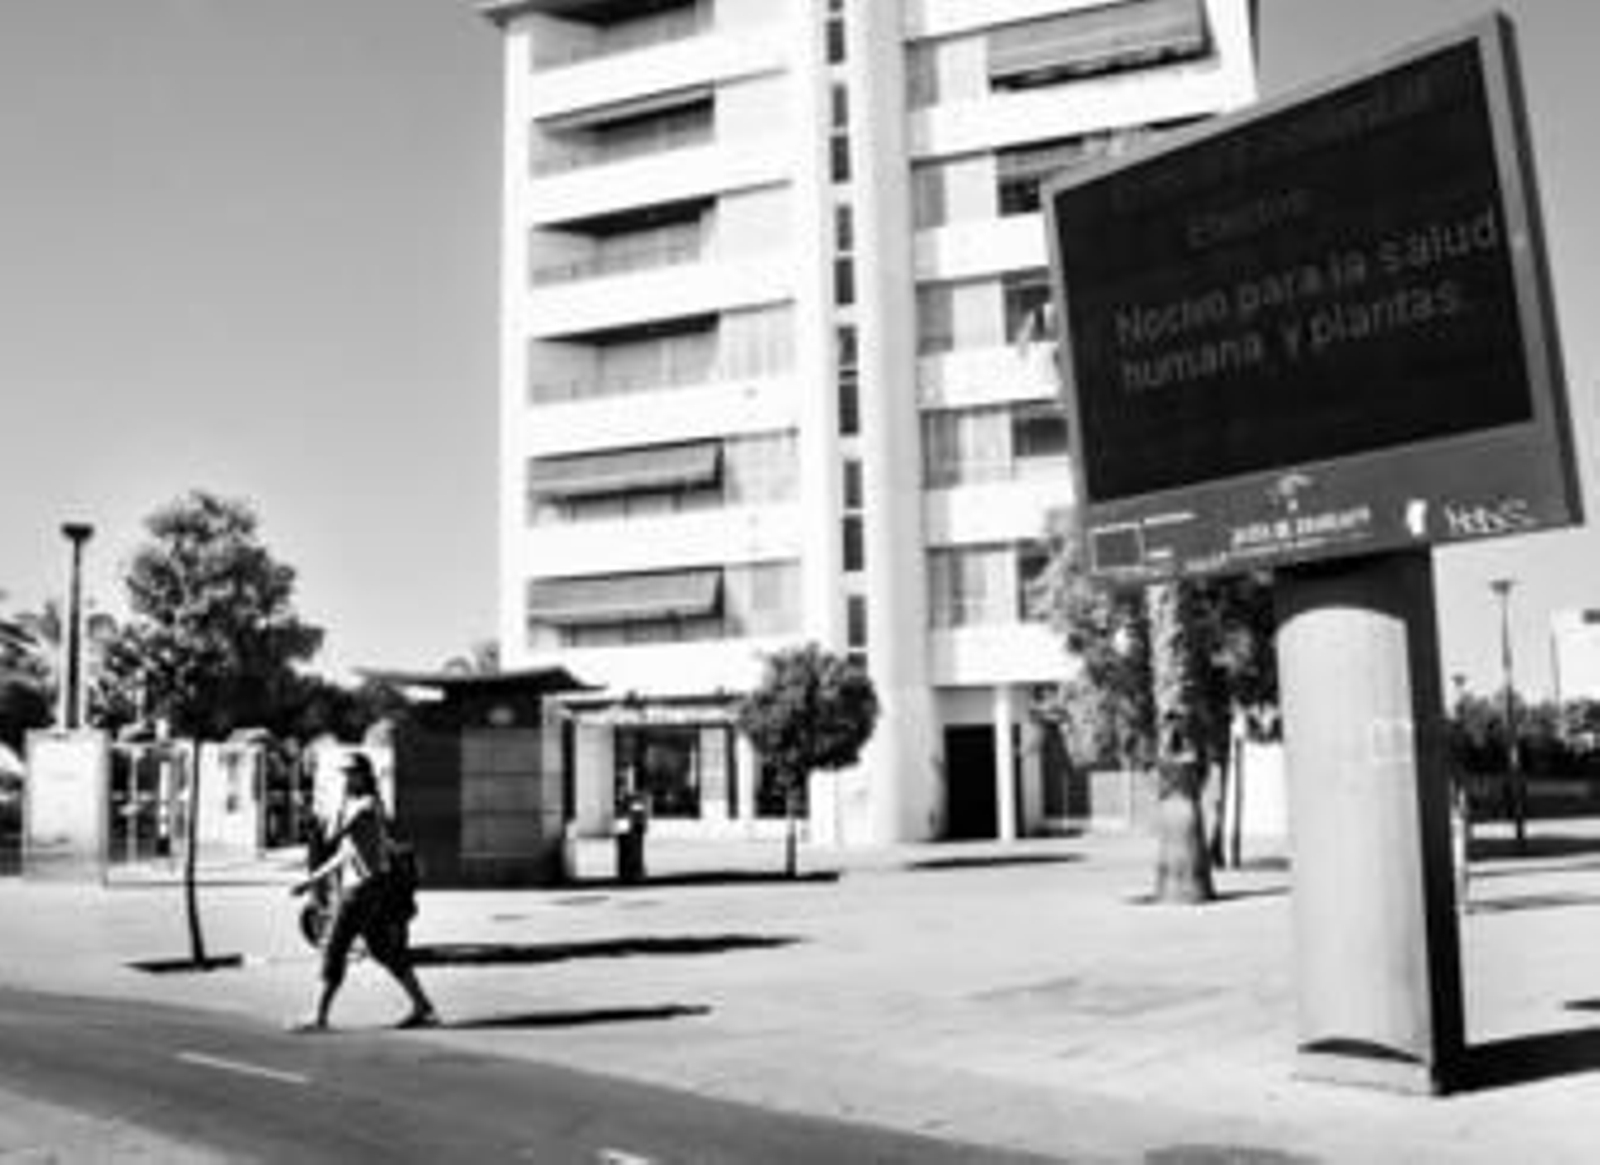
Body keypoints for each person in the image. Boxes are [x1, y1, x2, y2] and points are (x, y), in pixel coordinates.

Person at [288, 753, 438, 1032]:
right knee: (383, 950)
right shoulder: (361, 806)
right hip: (369, 887)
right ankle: (422, 1006)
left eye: (350, 773)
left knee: (335, 948)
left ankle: (318, 1017)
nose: (346, 779)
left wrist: (338, 804)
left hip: (361, 890)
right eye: (344, 774)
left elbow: (331, 834)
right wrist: (310, 882)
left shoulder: (366, 806)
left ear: (364, 775)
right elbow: (345, 853)